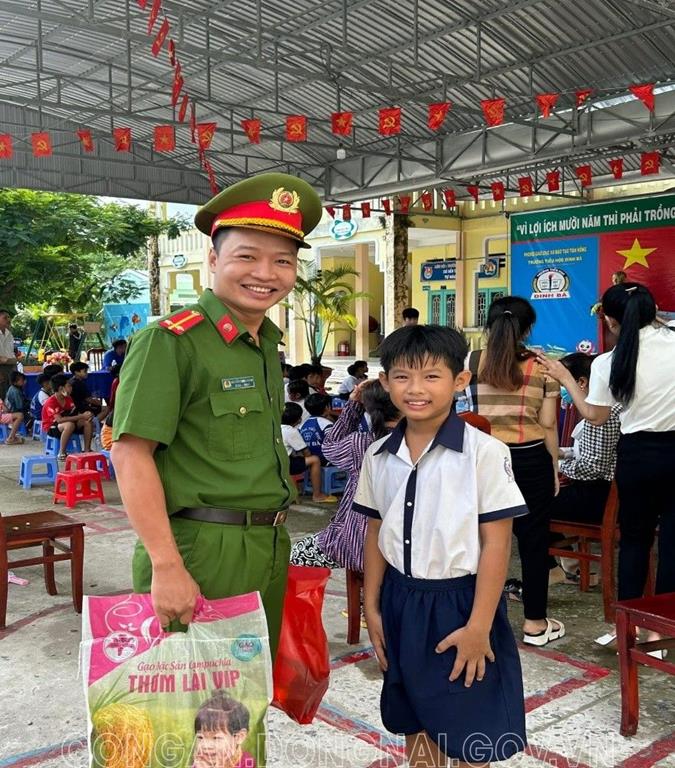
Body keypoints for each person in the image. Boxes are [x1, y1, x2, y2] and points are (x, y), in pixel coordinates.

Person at [110, 173, 323, 685]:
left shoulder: (264, 345)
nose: (265, 274)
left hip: (267, 545)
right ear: (213, 258)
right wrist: (166, 565)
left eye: (283, 261)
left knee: (244, 702)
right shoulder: (171, 342)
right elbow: (130, 454)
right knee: (187, 709)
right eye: (247, 256)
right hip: (200, 550)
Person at [354, 325, 527, 767]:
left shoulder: (485, 453)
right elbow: (375, 533)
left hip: (462, 603)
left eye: (431, 376)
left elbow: (496, 545)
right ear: (385, 381)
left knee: (470, 723)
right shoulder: (378, 456)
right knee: (414, 716)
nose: (415, 389)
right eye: (402, 376)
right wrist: (372, 608)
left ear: (460, 380)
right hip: (400, 600)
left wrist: (479, 627)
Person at [537, 283, 675, 604]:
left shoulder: (607, 362)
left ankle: (628, 621)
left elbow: (594, 416)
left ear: (611, 322)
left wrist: (565, 378)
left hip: (637, 458)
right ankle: (665, 621)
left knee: (635, 540)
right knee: (672, 541)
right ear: (653, 311)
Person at [466, 296, 563, 646]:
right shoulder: (543, 366)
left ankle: (479, 620)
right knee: (534, 543)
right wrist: (554, 466)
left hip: (483, 460)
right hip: (530, 458)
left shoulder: (471, 361)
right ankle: (535, 624)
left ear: (489, 325)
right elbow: (548, 423)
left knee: (480, 541)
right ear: (528, 328)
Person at [290, 379, 400, 571]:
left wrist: (353, 405)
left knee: (295, 554)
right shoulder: (421, 442)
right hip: (406, 548)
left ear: (369, 408)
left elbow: (329, 446)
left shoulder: (362, 443)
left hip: (358, 545)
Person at [546, 353, 621, 583]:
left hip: (596, 498)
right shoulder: (608, 406)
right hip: (601, 492)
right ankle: (570, 565)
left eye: (562, 383)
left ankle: (551, 568)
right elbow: (589, 452)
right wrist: (561, 452)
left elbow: (592, 466)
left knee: (526, 504)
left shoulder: (600, 413)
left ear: (581, 382)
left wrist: (556, 464)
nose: (561, 392)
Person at [281, 402, 337, 503]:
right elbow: (306, 452)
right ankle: (317, 495)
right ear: (298, 419)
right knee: (315, 460)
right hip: (287, 464)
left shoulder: (275, 428)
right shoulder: (291, 431)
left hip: (276, 461)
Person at [192, 693, 255, 768]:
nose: (206, 745)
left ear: (239, 737)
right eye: (200, 737)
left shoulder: (246, 762)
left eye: (216, 738)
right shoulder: (201, 761)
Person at [42, 373, 94, 458]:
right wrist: (81, 416)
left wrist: (86, 415)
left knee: (87, 422)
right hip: (52, 426)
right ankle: (62, 453)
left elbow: (74, 413)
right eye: (69, 386)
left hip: (67, 422)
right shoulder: (51, 402)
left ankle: (87, 449)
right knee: (69, 425)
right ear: (61, 389)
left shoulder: (68, 398)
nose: (71, 388)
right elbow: (59, 420)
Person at [299, 393, 333, 462]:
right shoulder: (327, 424)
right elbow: (333, 445)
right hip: (327, 462)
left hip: (310, 462)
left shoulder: (301, 426)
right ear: (327, 407)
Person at [0, 308, 17, 400]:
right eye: (5, 318)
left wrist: (14, 365)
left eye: (9, 317)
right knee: (2, 395)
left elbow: (11, 353)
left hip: (11, 367)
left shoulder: (9, 333)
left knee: (11, 395)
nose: (8, 320)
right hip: (1, 368)